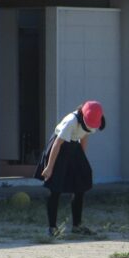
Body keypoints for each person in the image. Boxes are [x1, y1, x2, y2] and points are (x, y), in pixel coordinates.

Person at [35, 100, 106, 236]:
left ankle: (77, 225)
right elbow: (57, 144)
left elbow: (84, 136)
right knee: (55, 187)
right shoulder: (71, 121)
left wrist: (82, 160)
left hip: (74, 148)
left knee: (81, 184)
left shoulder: (94, 120)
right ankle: (52, 228)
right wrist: (49, 167)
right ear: (83, 115)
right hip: (58, 149)